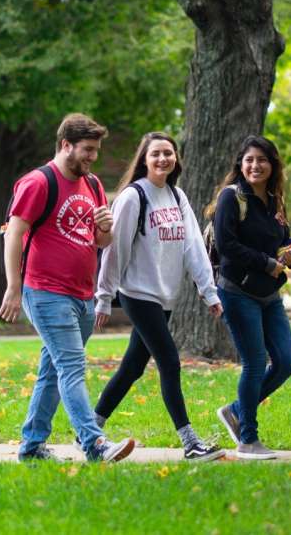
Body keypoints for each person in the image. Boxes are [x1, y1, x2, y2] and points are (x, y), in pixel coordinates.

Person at [0, 113, 137, 463]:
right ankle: (94, 443)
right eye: (87, 150)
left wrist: (106, 227)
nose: (92, 157)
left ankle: (31, 447)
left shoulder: (92, 186)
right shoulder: (38, 182)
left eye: (96, 151)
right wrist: (14, 287)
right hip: (45, 291)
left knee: (53, 370)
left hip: (81, 295)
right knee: (73, 367)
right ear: (66, 145)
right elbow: (14, 233)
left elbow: (101, 241)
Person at [91, 132, 226, 462]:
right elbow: (115, 251)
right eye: (156, 154)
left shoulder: (177, 197)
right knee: (170, 360)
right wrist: (104, 296)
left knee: (132, 367)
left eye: (169, 153)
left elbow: (194, 246)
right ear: (144, 159)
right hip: (138, 293)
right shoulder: (133, 197)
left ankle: (89, 431)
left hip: (166, 296)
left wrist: (209, 292)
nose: (163, 159)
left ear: (176, 158)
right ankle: (190, 442)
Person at [209, 135, 291, 460]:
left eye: (262, 160)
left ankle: (236, 410)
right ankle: (247, 439)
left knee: (286, 362)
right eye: (249, 160)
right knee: (254, 363)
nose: (255, 165)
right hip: (238, 292)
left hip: (269, 294)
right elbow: (226, 244)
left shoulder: (275, 200)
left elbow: (280, 242)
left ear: (272, 165)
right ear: (241, 164)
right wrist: (269, 263)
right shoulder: (231, 198)